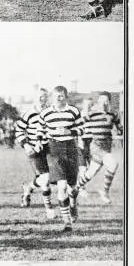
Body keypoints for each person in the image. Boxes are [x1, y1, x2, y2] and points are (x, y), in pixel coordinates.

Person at [36, 85, 84, 233]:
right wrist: (38, 141)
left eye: (61, 95)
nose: (58, 98)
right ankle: (67, 222)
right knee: (61, 186)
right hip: (54, 149)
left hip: (70, 149)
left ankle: (73, 204)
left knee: (72, 187)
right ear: (52, 97)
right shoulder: (45, 113)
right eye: (56, 95)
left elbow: (82, 129)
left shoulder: (73, 111)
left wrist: (70, 130)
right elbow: (40, 130)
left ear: (66, 96)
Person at [14, 87, 56, 219]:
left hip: (48, 149)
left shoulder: (51, 113)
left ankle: (28, 187)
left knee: (48, 178)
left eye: (43, 96)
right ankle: (49, 209)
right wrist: (26, 145)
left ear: (47, 98)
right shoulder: (29, 114)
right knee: (45, 180)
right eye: (38, 96)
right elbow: (19, 130)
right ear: (34, 97)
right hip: (33, 150)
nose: (40, 98)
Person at [78, 91, 123, 204]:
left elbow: (120, 128)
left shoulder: (113, 115)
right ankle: (104, 191)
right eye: (101, 101)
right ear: (98, 102)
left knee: (90, 173)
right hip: (96, 146)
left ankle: (76, 188)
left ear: (109, 102)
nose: (103, 104)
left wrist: (120, 129)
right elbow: (78, 123)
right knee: (113, 164)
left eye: (106, 101)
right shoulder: (92, 114)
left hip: (107, 147)